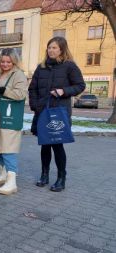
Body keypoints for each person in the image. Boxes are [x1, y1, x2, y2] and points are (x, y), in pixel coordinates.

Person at [29, 36, 85, 192]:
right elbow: (32, 88)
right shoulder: (41, 67)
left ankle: (61, 178)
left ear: (62, 49)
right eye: (49, 47)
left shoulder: (69, 66)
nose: (51, 50)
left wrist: (64, 91)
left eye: (54, 47)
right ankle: (44, 175)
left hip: (59, 111)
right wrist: (34, 105)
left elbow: (80, 85)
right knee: (45, 144)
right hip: (42, 111)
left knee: (57, 145)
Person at [0, 48, 28, 195]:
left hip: (10, 118)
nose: (5, 64)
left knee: (8, 149)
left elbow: (21, 94)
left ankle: (12, 182)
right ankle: (3, 174)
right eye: (2, 61)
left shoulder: (18, 75)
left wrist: (3, 90)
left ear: (14, 61)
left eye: (8, 61)